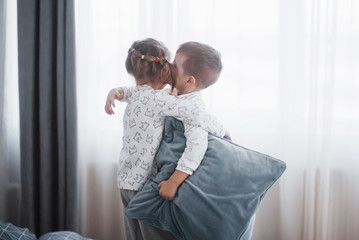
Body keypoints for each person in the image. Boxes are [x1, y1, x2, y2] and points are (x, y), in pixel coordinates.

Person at [105, 38, 226, 240]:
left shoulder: (146, 95)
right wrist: (222, 130)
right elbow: (198, 116)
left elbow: (133, 91)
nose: (168, 67)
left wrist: (116, 92)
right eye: (168, 63)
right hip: (142, 182)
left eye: (174, 65)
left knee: (135, 234)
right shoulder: (162, 99)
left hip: (126, 179)